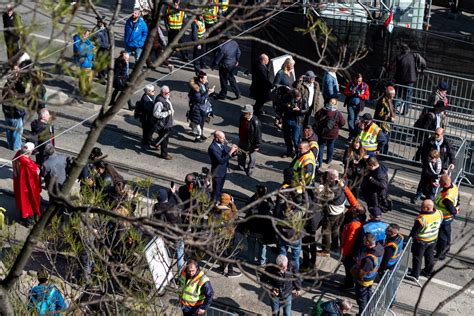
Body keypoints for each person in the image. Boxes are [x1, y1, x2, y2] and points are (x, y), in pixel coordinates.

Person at [408, 199, 443, 280]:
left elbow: (415, 231)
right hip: (433, 239)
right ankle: (428, 272)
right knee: (429, 256)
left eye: (422, 206)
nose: (420, 208)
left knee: (417, 258)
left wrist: (410, 239)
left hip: (421, 241)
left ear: (427, 208)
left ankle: (415, 275)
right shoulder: (439, 213)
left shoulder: (422, 219)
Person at [351, 232, 384, 314]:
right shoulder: (380, 247)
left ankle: (363, 313)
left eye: (364, 240)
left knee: (361, 299)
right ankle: (369, 309)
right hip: (372, 277)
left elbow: (361, 274)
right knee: (368, 293)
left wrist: (354, 273)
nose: (362, 241)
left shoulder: (368, 260)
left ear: (368, 243)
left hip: (364, 280)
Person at [153, 187, 185, 272]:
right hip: (177, 234)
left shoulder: (156, 208)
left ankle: (164, 273)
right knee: (180, 254)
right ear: (167, 197)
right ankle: (180, 275)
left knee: (163, 254)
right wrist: (174, 193)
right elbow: (182, 205)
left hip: (164, 235)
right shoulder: (172, 206)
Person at [390, 43, 426, 115]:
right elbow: (424, 62)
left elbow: (391, 67)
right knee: (408, 96)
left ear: (401, 50)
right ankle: (405, 111)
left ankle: (393, 109)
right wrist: (421, 70)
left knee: (397, 95)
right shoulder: (414, 56)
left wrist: (388, 71)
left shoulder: (398, 57)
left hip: (399, 79)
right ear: (408, 50)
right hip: (410, 79)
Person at [317, 169, 346, 257]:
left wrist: (321, 186)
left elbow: (322, 198)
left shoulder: (333, 191)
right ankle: (334, 246)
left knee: (325, 231)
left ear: (330, 178)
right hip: (340, 212)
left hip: (332, 214)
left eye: (327, 176)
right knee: (335, 229)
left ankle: (326, 251)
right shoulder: (341, 183)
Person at [244, 184, 274, 266]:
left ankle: (250, 260)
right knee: (262, 247)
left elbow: (246, 205)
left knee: (251, 245)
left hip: (252, 229)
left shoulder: (252, 203)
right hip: (262, 231)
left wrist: (255, 195)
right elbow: (273, 206)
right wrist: (268, 197)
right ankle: (262, 261)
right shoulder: (267, 206)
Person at [12, 142, 41, 227]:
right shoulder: (28, 164)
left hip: (19, 185)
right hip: (27, 187)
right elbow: (36, 173)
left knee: (22, 202)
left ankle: (22, 219)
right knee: (29, 204)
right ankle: (29, 222)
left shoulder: (17, 155)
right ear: (30, 152)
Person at [213, 193, 242, 278]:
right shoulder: (228, 211)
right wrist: (232, 204)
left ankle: (221, 268)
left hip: (218, 234)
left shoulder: (216, 208)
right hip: (228, 235)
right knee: (230, 253)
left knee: (221, 252)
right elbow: (236, 216)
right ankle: (230, 271)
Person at [434, 174, 460, 260]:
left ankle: (441, 254)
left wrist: (456, 209)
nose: (439, 183)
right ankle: (445, 249)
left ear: (445, 184)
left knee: (442, 237)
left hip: (444, 219)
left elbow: (452, 210)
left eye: (440, 182)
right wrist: (458, 205)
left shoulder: (447, 198)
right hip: (446, 218)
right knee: (446, 235)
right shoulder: (454, 186)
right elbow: (457, 196)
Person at [340, 204, 366, 290]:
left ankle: (349, 283)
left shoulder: (354, 225)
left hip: (350, 251)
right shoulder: (362, 221)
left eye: (355, 209)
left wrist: (344, 253)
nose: (353, 209)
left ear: (357, 213)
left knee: (348, 267)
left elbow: (349, 240)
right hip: (355, 250)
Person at [314, 98, 345, 166]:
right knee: (331, 146)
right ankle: (328, 160)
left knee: (321, 146)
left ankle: (320, 161)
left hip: (323, 132)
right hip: (333, 133)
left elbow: (316, 117)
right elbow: (342, 123)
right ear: (336, 104)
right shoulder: (337, 113)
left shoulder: (322, 110)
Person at [208, 130, 238, 199]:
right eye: (222, 138)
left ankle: (218, 201)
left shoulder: (222, 144)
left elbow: (227, 154)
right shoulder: (212, 148)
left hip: (223, 171)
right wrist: (231, 152)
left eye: (224, 137)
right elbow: (221, 161)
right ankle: (213, 205)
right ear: (216, 139)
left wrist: (234, 152)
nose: (224, 139)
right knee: (216, 191)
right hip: (217, 173)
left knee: (220, 189)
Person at [2, 66, 26, 151]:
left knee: (9, 130)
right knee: (17, 132)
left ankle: (10, 145)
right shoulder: (16, 90)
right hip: (15, 114)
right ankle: (16, 148)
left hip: (7, 113)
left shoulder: (6, 86)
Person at [188, 71, 215, 142]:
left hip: (203, 107)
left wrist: (211, 92)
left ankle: (201, 133)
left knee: (202, 121)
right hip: (197, 107)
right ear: (201, 79)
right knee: (198, 122)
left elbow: (206, 93)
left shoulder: (204, 84)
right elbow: (199, 99)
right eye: (205, 79)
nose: (206, 80)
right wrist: (208, 93)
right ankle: (197, 137)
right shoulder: (196, 88)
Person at [281, 89, 308, 158]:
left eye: (298, 97)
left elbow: (306, 110)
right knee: (287, 137)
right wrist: (287, 106)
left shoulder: (304, 98)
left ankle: (298, 153)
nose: (297, 99)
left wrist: (299, 110)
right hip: (287, 119)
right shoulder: (288, 96)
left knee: (296, 139)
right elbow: (281, 104)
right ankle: (289, 151)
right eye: (296, 97)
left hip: (297, 121)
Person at [343, 73, 370, 140]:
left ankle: (355, 134)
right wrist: (350, 93)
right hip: (350, 105)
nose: (358, 82)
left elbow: (367, 97)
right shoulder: (350, 84)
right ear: (355, 79)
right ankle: (352, 134)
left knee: (356, 120)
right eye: (357, 81)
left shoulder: (365, 86)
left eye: (360, 81)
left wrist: (360, 95)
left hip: (359, 106)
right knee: (351, 119)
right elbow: (345, 92)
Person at [238, 104, 262, 177]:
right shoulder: (242, 117)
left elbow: (258, 135)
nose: (243, 114)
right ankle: (241, 166)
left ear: (250, 113)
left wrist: (257, 145)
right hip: (242, 140)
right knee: (241, 154)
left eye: (245, 113)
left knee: (252, 158)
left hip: (251, 143)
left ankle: (250, 169)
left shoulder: (256, 122)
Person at [152, 85, 174, 160]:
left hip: (167, 122)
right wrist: (167, 113)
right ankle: (164, 154)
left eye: (169, 92)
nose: (168, 94)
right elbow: (156, 114)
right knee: (165, 139)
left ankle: (155, 143)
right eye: (167, 93)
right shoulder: (159, 102)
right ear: (163, 93)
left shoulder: (166, 98)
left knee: (162, 137)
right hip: (163, 124)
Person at [374, 86, 396, 154]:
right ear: (387, 94)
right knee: (384, 139)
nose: (393, 95)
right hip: (382, 124)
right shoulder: (382, 101)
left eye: (393, 94)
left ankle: (384, 152)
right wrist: (389, 118)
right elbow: (379, 115)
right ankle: (382, 152)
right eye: (391, 94)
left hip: (387, 124)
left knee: (386, 139)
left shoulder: (390, 100)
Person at [73, 29, 95, 96]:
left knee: (88, 78)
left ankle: (85, 91)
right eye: (86, 34)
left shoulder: (85, 40)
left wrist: (92, 48)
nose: (87, 36)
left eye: (88, 34)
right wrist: (90, 48)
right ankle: (84, 92)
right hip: (84, 62)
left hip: (88, 61)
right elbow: (81, 51)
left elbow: (90, 47)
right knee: (84, 78)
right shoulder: (78, 40)